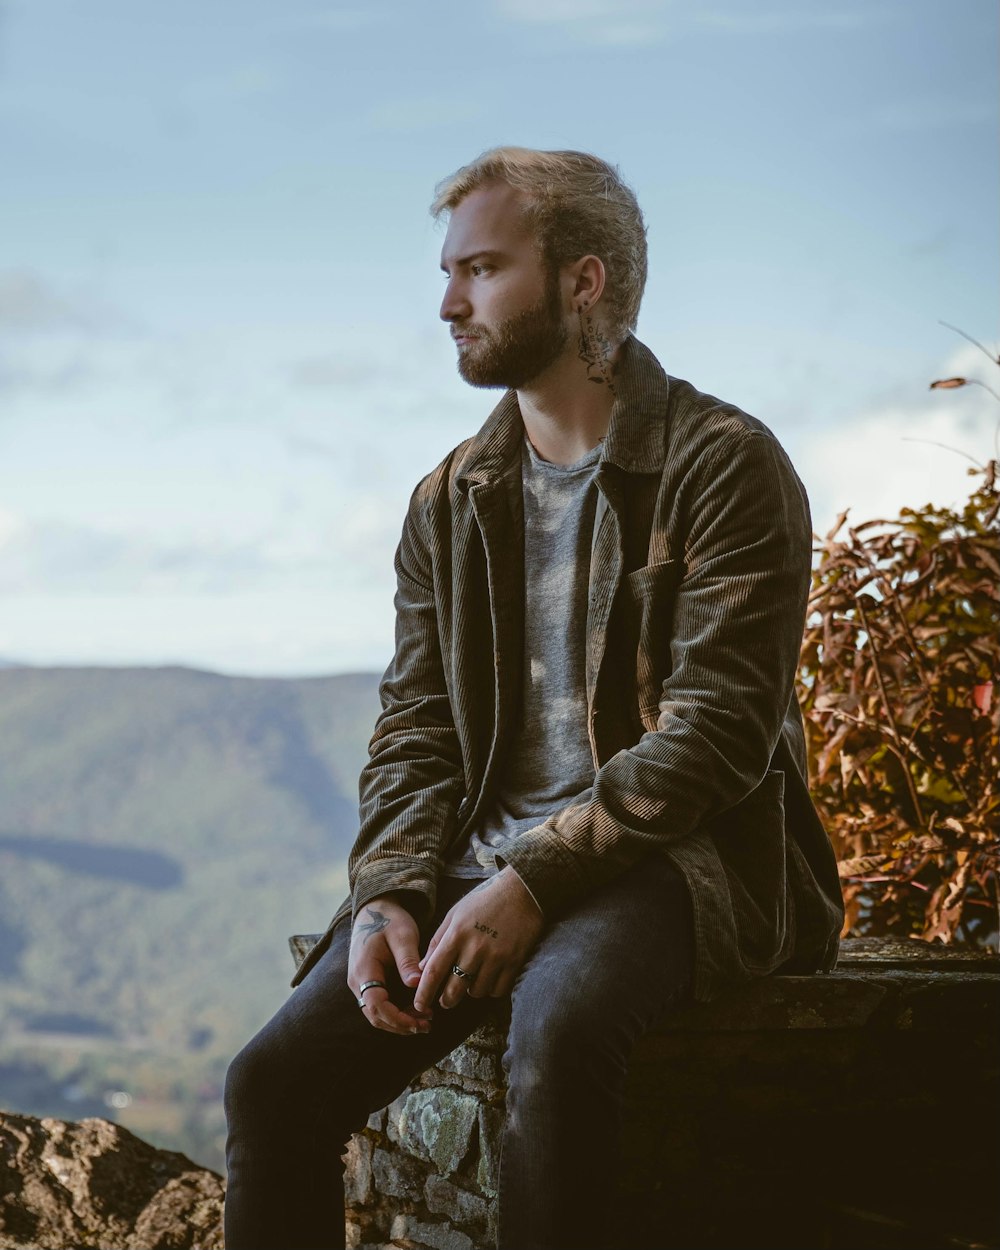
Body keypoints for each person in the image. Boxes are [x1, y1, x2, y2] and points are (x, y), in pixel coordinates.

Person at [224, 146, 844, 1250]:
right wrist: (387, 892)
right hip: (474, 857)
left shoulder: (724, 464)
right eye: (449, 271)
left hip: (672, 858)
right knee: (270, 1086)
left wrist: (533, 880)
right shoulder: (450, 496)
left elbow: (717, 734)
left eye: (482, 269)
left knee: (555, 1039)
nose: (449, 302)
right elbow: (415, 724)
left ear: (582, 280)